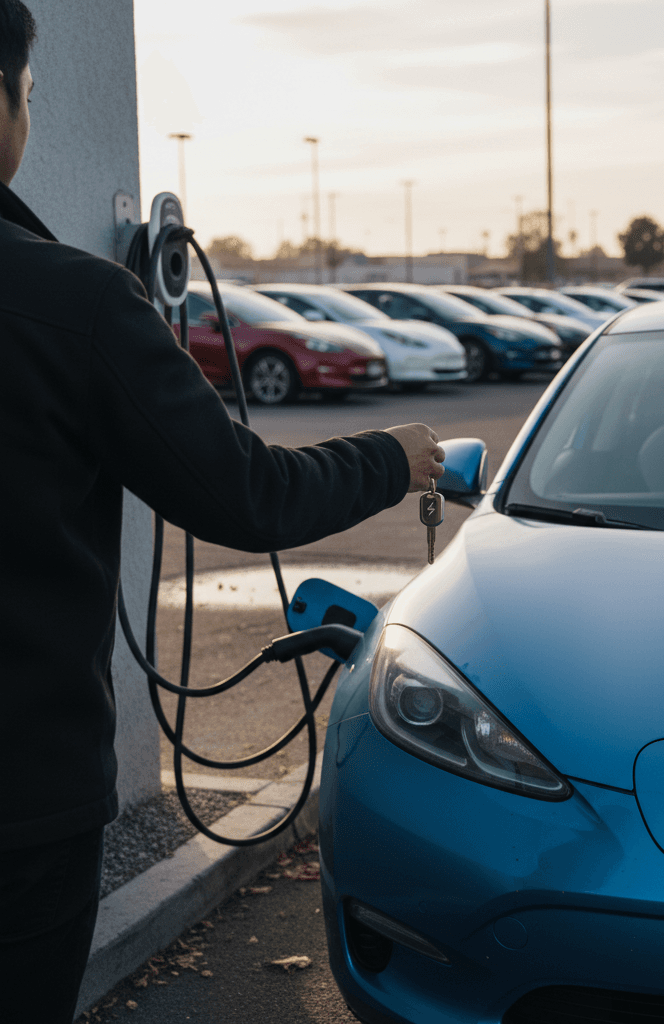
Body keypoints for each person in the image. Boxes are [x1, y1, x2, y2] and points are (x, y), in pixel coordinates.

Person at [0, 4, 445, 1020]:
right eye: (28, 95)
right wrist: (395, 457)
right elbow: (246, 494)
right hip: (19, 810)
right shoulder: (74, 306)